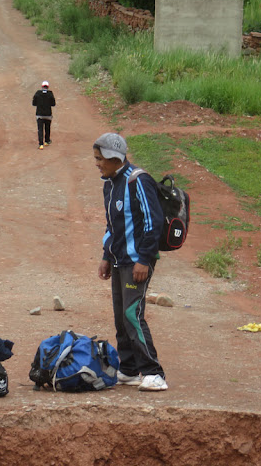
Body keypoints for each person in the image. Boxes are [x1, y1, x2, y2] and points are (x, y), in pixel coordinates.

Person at [94, 133, 168, 392]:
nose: (97, 164)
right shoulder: (110, 184)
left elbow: (153, 222)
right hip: (118, 260)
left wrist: (144, 260)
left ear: (115, 158)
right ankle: (127, 369)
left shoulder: (138, 180)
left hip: (137, 261)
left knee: (132, 314)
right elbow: (111, 226)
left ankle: (153, 372)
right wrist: (106, 256)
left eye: (100, 158)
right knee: (119, 316)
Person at [32, 80, 56, 150]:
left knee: (40, 129)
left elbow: (34, 103)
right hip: (48, 114)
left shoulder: (37, 93)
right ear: (48, 87)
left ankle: (41, 144)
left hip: (39, 114)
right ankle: (47, 141)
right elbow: (53, 104)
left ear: (42, 87)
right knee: (47, 128)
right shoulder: (50, 93)